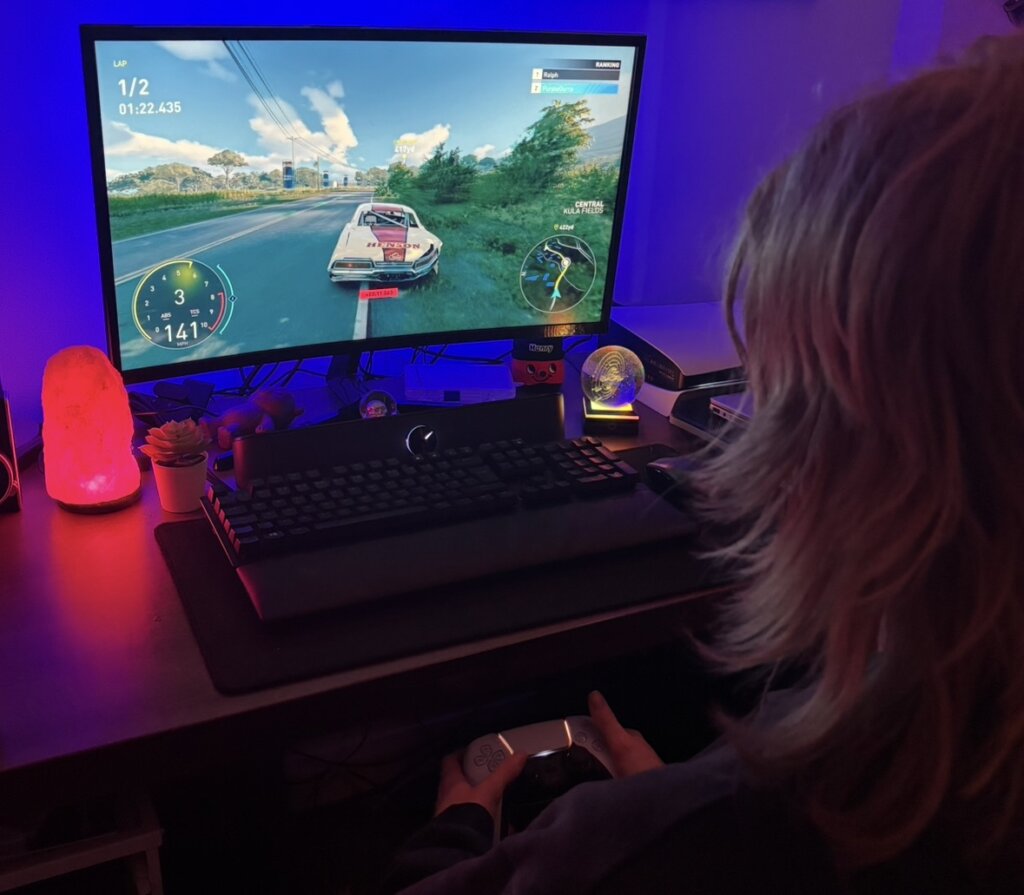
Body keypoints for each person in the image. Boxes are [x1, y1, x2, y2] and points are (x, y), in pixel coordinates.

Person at [380, 33, 1024, 894]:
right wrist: (661, 803)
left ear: (845, 450)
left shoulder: (700, 832)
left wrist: (461, 828)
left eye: (775, 379)